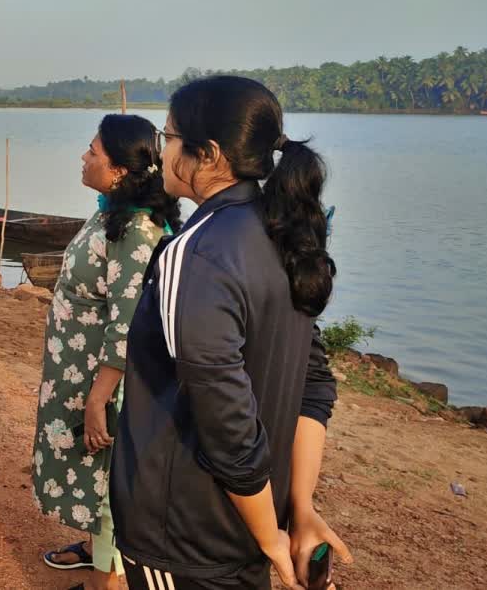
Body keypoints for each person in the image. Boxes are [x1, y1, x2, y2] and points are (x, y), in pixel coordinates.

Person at [110, 76, 353, 590]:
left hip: (184, 534)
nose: (161, 153)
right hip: (248, 523)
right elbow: (314, 386)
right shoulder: (282, 233)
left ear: (210, 154)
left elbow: (225, 420)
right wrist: (295, 512)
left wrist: (272, 536)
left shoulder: (195, 252)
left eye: (169, 137)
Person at [33, 115, 180, 590]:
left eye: (93, 151)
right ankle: (100, 561)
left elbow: (127, 324)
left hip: (102, 381)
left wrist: (98, 399)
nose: (83, 156)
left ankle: (107, 583)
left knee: (108, 490)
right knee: (94, 483)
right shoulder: (111, 213)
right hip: (77, 373)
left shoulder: (137, 229)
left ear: (117, 169)